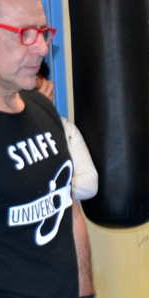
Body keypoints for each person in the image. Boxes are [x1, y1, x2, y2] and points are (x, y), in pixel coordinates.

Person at [0, 0, 112, 298]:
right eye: (25, 33)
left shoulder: (43, 111)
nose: (42, 47)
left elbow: (68, 211)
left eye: (43, 32)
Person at [37, 61, 99, 201]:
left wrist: (49, 190)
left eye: (40, 90)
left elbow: (90, 184)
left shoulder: (66, 128)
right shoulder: (5, 131)